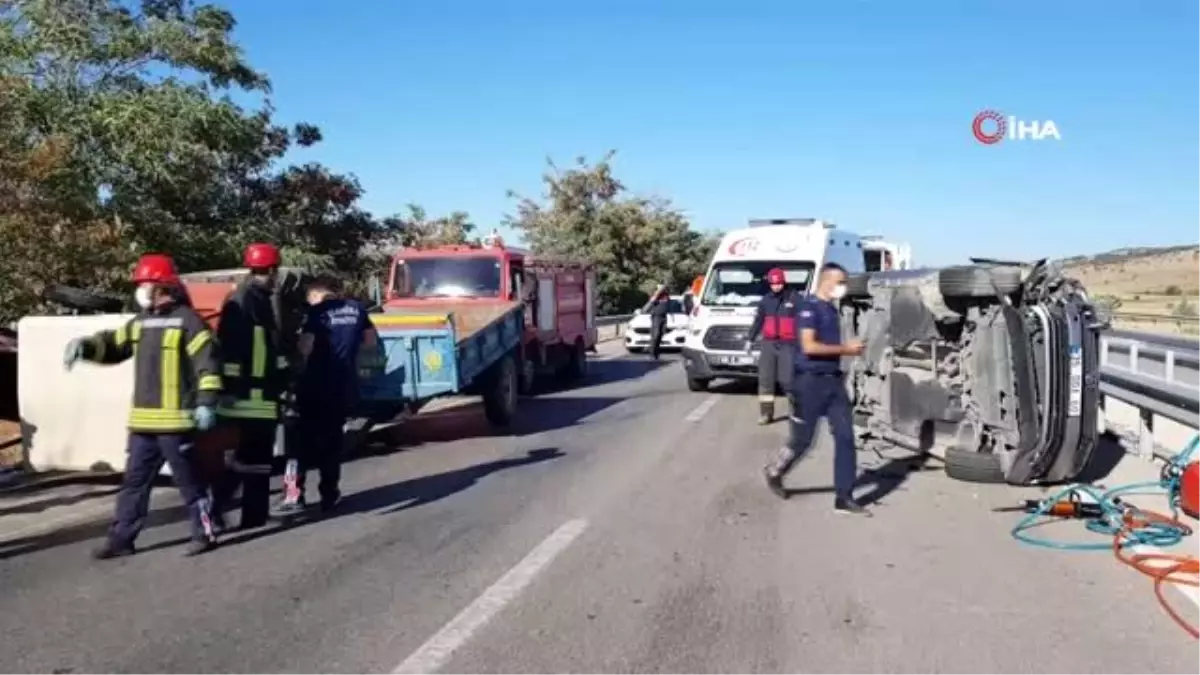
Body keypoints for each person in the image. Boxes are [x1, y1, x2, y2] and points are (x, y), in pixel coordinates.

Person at [63, 253, 223, 558]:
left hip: (176, 423)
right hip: (143, 424)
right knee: (133, 485)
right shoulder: (141, 321)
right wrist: (84, 346)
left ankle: (206, 533)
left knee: (190, 483)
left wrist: (206, 404)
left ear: (163, 286)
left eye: (144, 283)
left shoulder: (189, 322)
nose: (140, 289)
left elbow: (208, 368)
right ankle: (121, 540)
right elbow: (113, 345)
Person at [762, 262, 870, 516]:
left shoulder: (832, 310)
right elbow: (809, 346)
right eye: (841, 282)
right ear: (827, 282)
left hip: (833, 382)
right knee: (802, 441)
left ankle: (844, 497)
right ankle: (775, 471)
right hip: (808, 382)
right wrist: (846, 350)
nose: (843, 287)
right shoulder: (808, 308)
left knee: (845, 437)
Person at [274, 275, 377, 514]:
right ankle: (330, 495)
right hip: (342, 387)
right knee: (332, 443)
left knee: (297, 443)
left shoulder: (317, 313)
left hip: (312, 388)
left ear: (317, 293)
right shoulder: (357, 310)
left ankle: (293, 495)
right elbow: (370, 342)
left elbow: (306, 348)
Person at [210, 242, 290, 531]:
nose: (276, 277)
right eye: (275, 271)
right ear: (270, 270)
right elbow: (231, 352)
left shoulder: (257, 298)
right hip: (249, 397)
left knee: (257, 460)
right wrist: (232, 389)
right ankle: (214, 508)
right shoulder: (244, 302)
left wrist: (282, 378)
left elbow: (269, 349)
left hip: (261, 395)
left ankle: (253, 515)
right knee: (245, 459)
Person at [745, 267, 801, 425]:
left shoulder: (795, 298)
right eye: (773, 284)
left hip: (788, 345)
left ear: (784, 282)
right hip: (768, 344)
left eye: (779, 284)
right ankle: (766, 414)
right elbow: (758, 321)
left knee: (788, 380)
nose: (776, 287)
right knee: (765, 380)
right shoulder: (765, 300)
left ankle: (796, 411)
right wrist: (750, 339)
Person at [641, 284, 671, 360]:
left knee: (661, 334)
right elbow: (651, 302)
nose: (662, 289)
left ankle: (656, 353)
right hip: (656, 317)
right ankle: (652, 354)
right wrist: (658, 292)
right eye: (661, 288)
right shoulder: (655, 295)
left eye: (663, 288)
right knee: (655, 335)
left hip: (664, 317)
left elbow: (668, 304)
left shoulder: (666, 296)